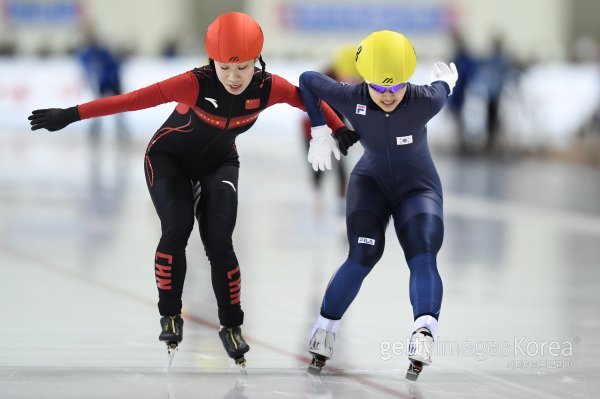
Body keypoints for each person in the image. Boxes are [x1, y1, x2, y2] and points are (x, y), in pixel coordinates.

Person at [28, 12, 351, 367]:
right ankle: (170, 313)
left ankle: (231, 326)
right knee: (177, 227)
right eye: (223, 68)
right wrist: (69, 115)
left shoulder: (268, 87)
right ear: (210, 60)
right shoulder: (193, 83)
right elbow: (133, 100)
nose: (233, 77)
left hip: (220, 164)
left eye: (242, 67)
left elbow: (309, 100)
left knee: (220, 242)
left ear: (257, 62)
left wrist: (337, 129)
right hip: (169, 160)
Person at [298, 30, 458, 380]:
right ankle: (325, 328)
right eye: (379, 87)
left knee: (422, 250)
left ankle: (424, 330)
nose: (387, 95)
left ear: (408, 81)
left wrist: (445, 83)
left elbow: (444, 87)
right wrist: (321, 130)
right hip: (369, 184)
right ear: (364, 78)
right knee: (362, 255)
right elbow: (307, 81)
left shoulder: (426, 100)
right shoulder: (350, 94)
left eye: (396, 87)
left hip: (418, 189)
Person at [300, 45, 362, 217]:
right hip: (312, 126)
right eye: (348, 76)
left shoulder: (361, 82)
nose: (351, 81)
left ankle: (343, 200)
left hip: (337, 125)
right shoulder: (324, 79)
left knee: (341, 163)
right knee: (318, 164)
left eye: (355, 78)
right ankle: (316, 194)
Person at [76, 29, 129, 142]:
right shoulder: (88, 54)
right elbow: (87, 69)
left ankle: (121, 130)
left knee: (118, 108)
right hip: (103, 83)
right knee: (98, 108)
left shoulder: (104, 53)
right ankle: (96, 130)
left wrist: (112, 79)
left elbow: (115, 66)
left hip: (112, 82)